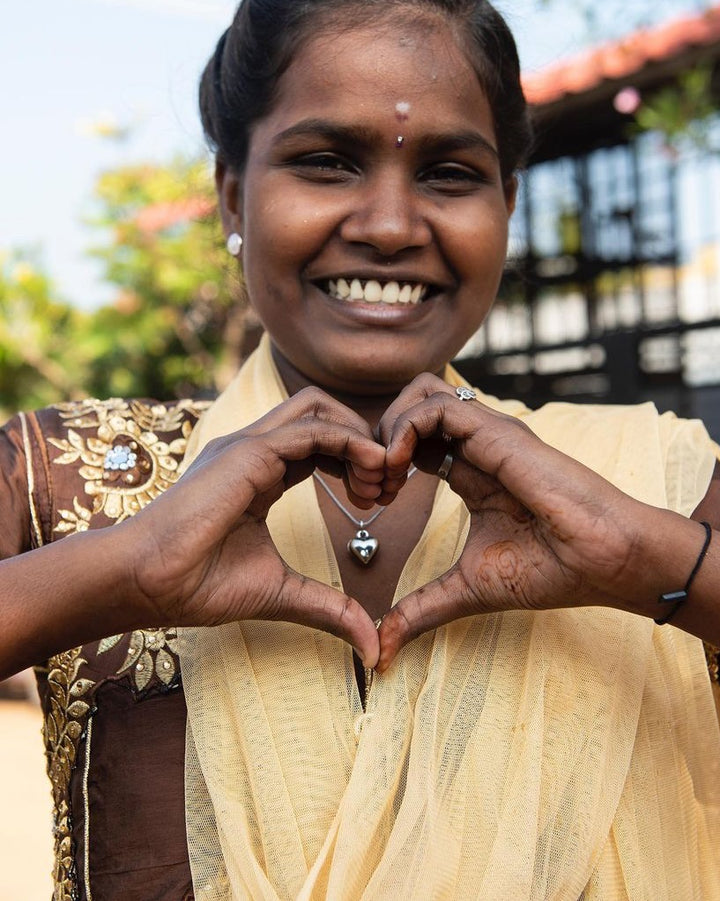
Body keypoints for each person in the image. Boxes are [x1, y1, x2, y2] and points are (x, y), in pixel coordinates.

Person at [1, 0, 719, 898]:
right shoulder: (61, 471)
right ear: (233, 189)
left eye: (451, 173)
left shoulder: (648, 483)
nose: (388, 225)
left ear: (508, 205)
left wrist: (643, 557)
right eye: (326, 162)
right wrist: (125, 567)